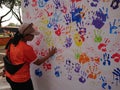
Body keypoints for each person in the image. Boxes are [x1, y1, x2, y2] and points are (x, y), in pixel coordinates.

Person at [4, 23, 57, 90]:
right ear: (26, 35)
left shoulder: (12, 41)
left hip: (9, 76)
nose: (33, 37)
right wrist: (49, 55)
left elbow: (8, 55)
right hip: (21, 81)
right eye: (32, 35)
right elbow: (38, 62)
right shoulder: (26, 48)